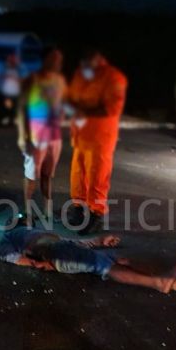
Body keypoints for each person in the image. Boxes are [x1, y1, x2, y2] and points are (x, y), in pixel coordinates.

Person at [0, 226, 176, 294]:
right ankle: (159, 283)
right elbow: (10, 256)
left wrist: (98, 240)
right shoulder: (8, 239)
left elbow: (69, 241)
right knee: (103, 265)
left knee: (116, 259)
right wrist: (40, 264)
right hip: (57, 254)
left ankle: (164, 277)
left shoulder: (30, 231)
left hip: (62, 250)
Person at [67, 48, 128, 235]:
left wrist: (83, 111)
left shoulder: (113, 77)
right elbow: (72, 97)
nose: (84, 65)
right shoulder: (81, 73)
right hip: (80, 135)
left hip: (100, 137)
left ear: (99, 58)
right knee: (78, 174)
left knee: (98, 177)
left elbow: (112, 109)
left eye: (88, 60)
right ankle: (78, 207)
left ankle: (97, 214)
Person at [16, 46, 67, 226]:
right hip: (36, 135)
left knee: (47, 174)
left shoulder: (60, 80)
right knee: (31, 175)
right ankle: (27, 212)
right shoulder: (33, 79)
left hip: (54, 136)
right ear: (45, 59)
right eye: (54, 59)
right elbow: (22, 108)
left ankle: (47, 211)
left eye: (59, 60)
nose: (57, 63)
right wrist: (23, 136)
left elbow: (62, 103)